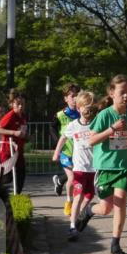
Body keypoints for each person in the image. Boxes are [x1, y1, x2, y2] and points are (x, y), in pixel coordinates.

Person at [74, 75, 127, 254]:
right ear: (112, 93)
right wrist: (112, 129)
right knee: (105, 208)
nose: (126, 96)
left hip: (125, 167)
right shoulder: (104, 115)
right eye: (122, 92)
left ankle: (115, 243)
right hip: (105, 168)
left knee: (120, 201)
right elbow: (91, 140)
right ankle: (88, 211)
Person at [53, 90, 97, 241]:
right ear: (78, 108)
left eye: (91, 106)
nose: (88, 109)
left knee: (90, 195)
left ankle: (78, 217)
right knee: (78, 196)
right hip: (79, 168)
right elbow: (63, 138)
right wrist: (56, 153)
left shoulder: (96, 123)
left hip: (93, 169)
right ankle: (72, 226)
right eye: (85, 106)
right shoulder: (73, 125)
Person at [53, 84, 81, 216]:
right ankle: (69, 202)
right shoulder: (59, 115)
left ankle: (59, 181)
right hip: (66, 151)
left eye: (77, 95)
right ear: (66, 98)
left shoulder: (83, 113)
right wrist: (58, 144)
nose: (75, 98)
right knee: (72, 177)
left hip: (79, 152)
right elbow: (52, 129)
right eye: (72, 96)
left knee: (77, 177)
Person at [0, 94, 28, 192]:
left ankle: (16, 197)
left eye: (22, 104)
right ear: (13, 105)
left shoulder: (23, 116)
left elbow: (22, 132)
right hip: (7, 151)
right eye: (18, 104)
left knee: (21, 174)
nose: (20, 106)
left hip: (18, 151)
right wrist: (13, 133)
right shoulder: (10, 115)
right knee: (7, 177)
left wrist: (27, 136)